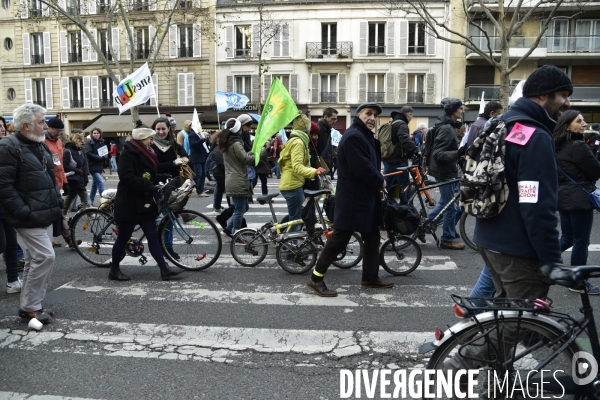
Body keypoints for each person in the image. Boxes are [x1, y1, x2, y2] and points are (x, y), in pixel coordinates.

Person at [445, 65, 574, 372]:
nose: (568, 103)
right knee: (515, 323)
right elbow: (536, 204)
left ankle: (496, 383)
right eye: (563, 95)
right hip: (518, 247)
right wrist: (550, 258)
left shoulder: (502, 124)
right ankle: (457, 365)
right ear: (543, 96)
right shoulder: (535, 137)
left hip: (490, 238)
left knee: (506, 316)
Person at [305, 103, 393, 297]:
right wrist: (380, 182)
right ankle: (315, 278)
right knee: (339, 240)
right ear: (358, 114)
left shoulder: (362, 135)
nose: (372, 117)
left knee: (372, 236)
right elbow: (362, 167)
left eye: (375, 115)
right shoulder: (354, 136)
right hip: (353, 198)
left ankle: (370, 278)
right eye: (368, 113)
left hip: (363, 196)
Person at [0, 104, 63, 324]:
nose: (45, 126)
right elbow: (3, 186)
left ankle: (29, 304)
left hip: (43, 212)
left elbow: (49, 176)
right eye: (41, 122)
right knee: (46, 256)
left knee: (33, 259)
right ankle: (31, 306)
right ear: (26, 125)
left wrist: (57, 198)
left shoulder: (39, 145)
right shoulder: (8, 145)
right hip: (28, 215)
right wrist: (23, 212)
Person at [109, 126, 183, 282]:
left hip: (144, 203)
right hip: (129, 203)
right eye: (150, 139)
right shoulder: (128, 154)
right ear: (142, 139)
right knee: (123, 237)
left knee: (153, 237)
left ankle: (164, 270)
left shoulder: (147, 153)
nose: (152, 142)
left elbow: (150, 175)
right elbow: (127, 177)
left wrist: (163, 177)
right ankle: (114, 270)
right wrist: (150, 186)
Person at [554, 110, 600, 293]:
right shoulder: (579, 146)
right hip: (580, 197)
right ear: (567, 125)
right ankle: (578, 282)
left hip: (562, 195)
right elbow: (595, 172)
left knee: (568, 237)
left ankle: (539, 259)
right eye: (579, 121)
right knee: (581, 241)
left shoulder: (556, 145)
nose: (584, 123)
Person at [427, 98, 466, 250]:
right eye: (461, 108)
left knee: (447, 204)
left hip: (447, 170)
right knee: (450, 207)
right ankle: (447, 239)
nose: (463, 111)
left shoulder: (448, 126)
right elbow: (438, 154)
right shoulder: (446, 129)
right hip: (444, 172)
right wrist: (458, 153)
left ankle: (424, 226)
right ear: (453, 110)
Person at [278, 114, 324, 233]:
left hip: (292, 183)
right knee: (297, 220)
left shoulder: (297, 140)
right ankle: (290, 249)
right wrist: (315, 171)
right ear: (307, 129)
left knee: (296, 218)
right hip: (292, 185)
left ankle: (289, 246)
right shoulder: (298, 142)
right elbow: (297, 166)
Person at [218, 118, 255, 237]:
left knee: (244, 207)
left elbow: (242, 157)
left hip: (233, 179)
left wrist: (252, 152)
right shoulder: (236, 143)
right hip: (237, 179)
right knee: (239, 210)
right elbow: (246, 159)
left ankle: (229, 229)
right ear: (239, 130)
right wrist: (261, 153)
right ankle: (237, 235)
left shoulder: (228, 142)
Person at [382, 106, 418, 192]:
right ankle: (407, 204)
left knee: (386, 184)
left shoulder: (393, 122)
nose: (411, 118)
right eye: (412, 116)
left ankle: (380, 202)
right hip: (398, 159)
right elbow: (404, 138)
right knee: (405, 185)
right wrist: (415, 150)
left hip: (388, 157)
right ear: (409, 114)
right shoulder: (402, 124)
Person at [62, 133, 89, 216]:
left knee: (70, 196)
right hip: (73, 177)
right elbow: (65, 165)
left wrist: (85, 178)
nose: (81, 142)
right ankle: (89, 213)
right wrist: (76, 170)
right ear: (75, 141)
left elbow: (84, 164)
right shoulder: (67, 151)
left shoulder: (80, 151)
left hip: (79, 177)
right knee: (84, 195)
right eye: (80, 141)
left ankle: (62, 214)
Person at [84, 127, 108, 205]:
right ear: (92, 134)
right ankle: (104, 201)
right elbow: (88, 153)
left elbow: (105, 152)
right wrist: (100, 158)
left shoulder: (102, 141)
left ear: (100, 134)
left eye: (97, 133)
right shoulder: (89, 142)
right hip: (92, 166)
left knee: (94, 185)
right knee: (100, 182)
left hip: (99, 166)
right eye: (94, 133)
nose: (96, 135)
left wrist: (105, 157)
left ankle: (90, 201)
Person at [188, 126, 209, 197]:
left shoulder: (200, 133)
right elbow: (193, 144)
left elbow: (204, 144)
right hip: (196, 157)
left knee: (203, 174)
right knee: (198, 174)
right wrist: (203, 139)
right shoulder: (192, 134)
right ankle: (191, 183)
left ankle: (200, 190)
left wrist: (206, 140)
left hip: (202, 156)